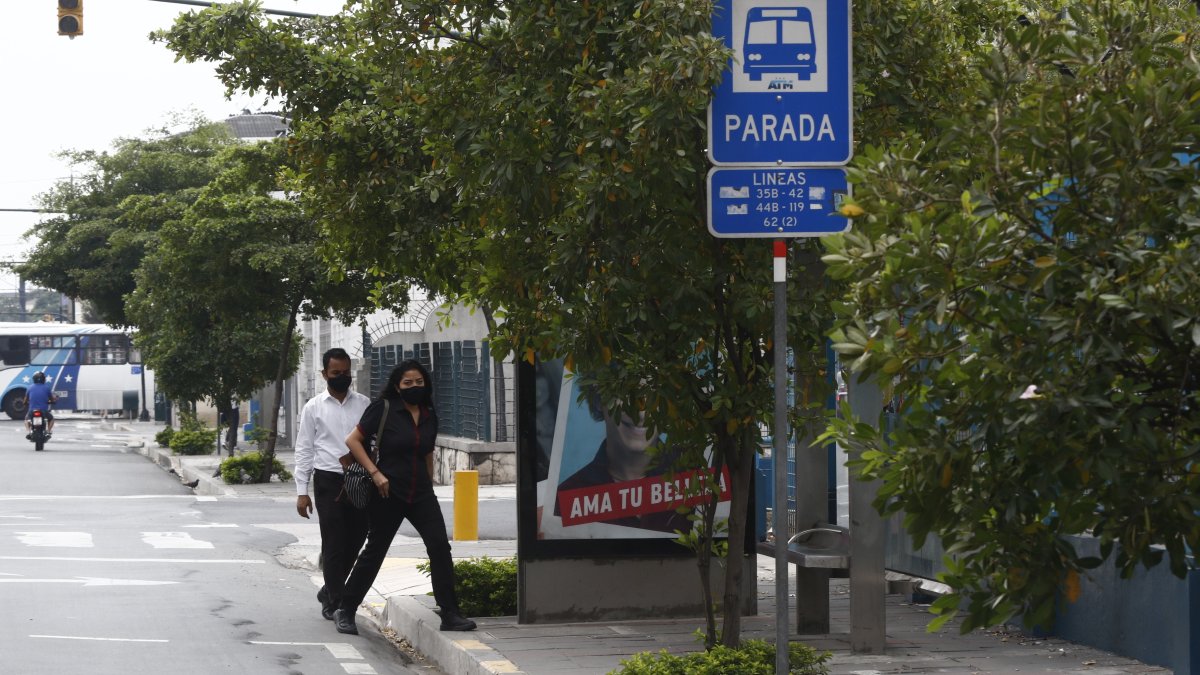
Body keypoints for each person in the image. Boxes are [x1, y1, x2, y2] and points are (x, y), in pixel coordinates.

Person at [334, 360, 476, 635]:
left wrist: (431, 484)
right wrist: (375, 473)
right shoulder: (384, 409)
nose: (414, 387)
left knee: (439, 547)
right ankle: (346, 609)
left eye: (419, 382)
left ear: (426, 385)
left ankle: (450, 614)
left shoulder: (429, 414)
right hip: (388, 490)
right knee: (376, 550)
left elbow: (426, 453)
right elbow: (352, 441)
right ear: (397, 387)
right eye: (407, 383)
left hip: (421, 492)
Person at [293, 348, 370, 621]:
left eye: (346, 373)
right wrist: (302, 492)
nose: (342, 377)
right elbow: (304, 449)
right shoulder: (313, 407)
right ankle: (337, 603)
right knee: (334, 542)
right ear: (324, 374)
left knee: (357, 538)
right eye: (336, 373)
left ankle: (328, 591)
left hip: (359, 478)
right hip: (327, 479)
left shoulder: (363, 404)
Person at [554, 386, 691, 533]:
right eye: (626, 393)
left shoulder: (699, 481)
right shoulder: (565, 499)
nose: (641, 413)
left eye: (653, 394)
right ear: (600, 400)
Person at [24, 371, 56, 440]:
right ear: (44, 379)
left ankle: (28, 432)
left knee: (27, 419)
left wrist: (25, 403)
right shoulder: (47, 388)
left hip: (32, 411)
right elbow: (52, 399)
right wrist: (52, 401)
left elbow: (25, 400)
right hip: (43, 411)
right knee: (51, 419)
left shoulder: (29, 388)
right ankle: (48, 431)